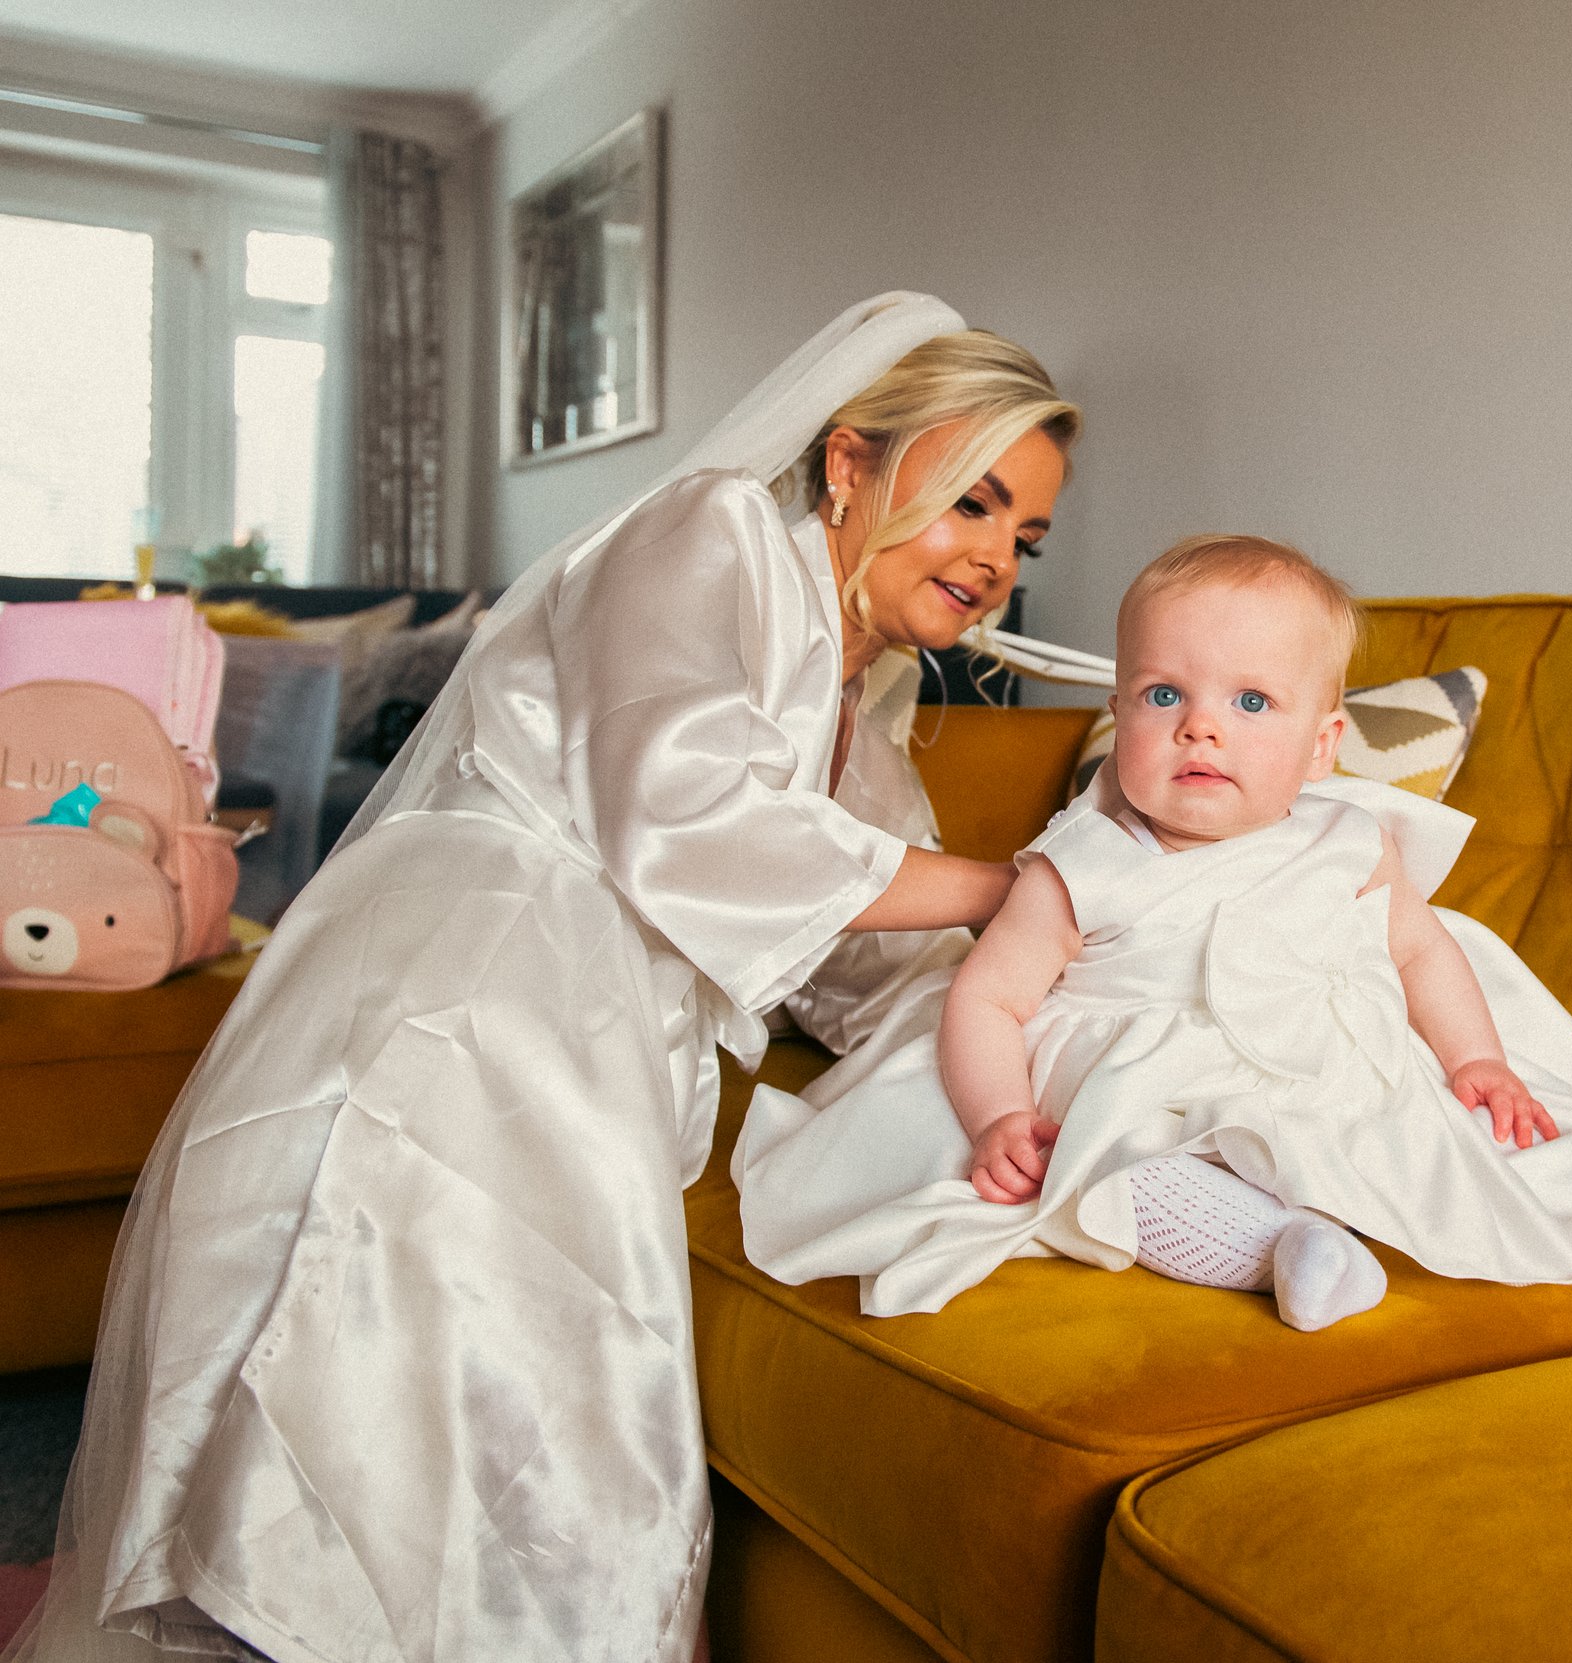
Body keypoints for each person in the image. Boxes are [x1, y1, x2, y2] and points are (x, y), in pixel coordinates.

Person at [7, 293, 1077, 1663]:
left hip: (584, 1027)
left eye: (1024, 537)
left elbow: (861, 947)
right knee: (418, 1411)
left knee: (510, 1446)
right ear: (848, 459)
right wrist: (1013, 886)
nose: (993, 558)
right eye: (973, 501)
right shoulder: (713, 534)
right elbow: (688, 812)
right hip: (475, 988)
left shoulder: (860, 705)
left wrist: (1062, 1004)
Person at [734, 536, 1572, 1331]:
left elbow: (1420, 951)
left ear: (1323, 746)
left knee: (1477, 1139)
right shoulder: (1079, 862)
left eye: (1251, 703)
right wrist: (998, 1116)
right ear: (1118, 713)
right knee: (1118, 1172)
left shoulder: (1350, 839)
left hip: (1333, 1068)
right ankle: (1281, 1251)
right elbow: (989, 998)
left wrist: (1477, 1058)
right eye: (1163, 695)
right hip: (1150, 1082)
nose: (1202, 728)